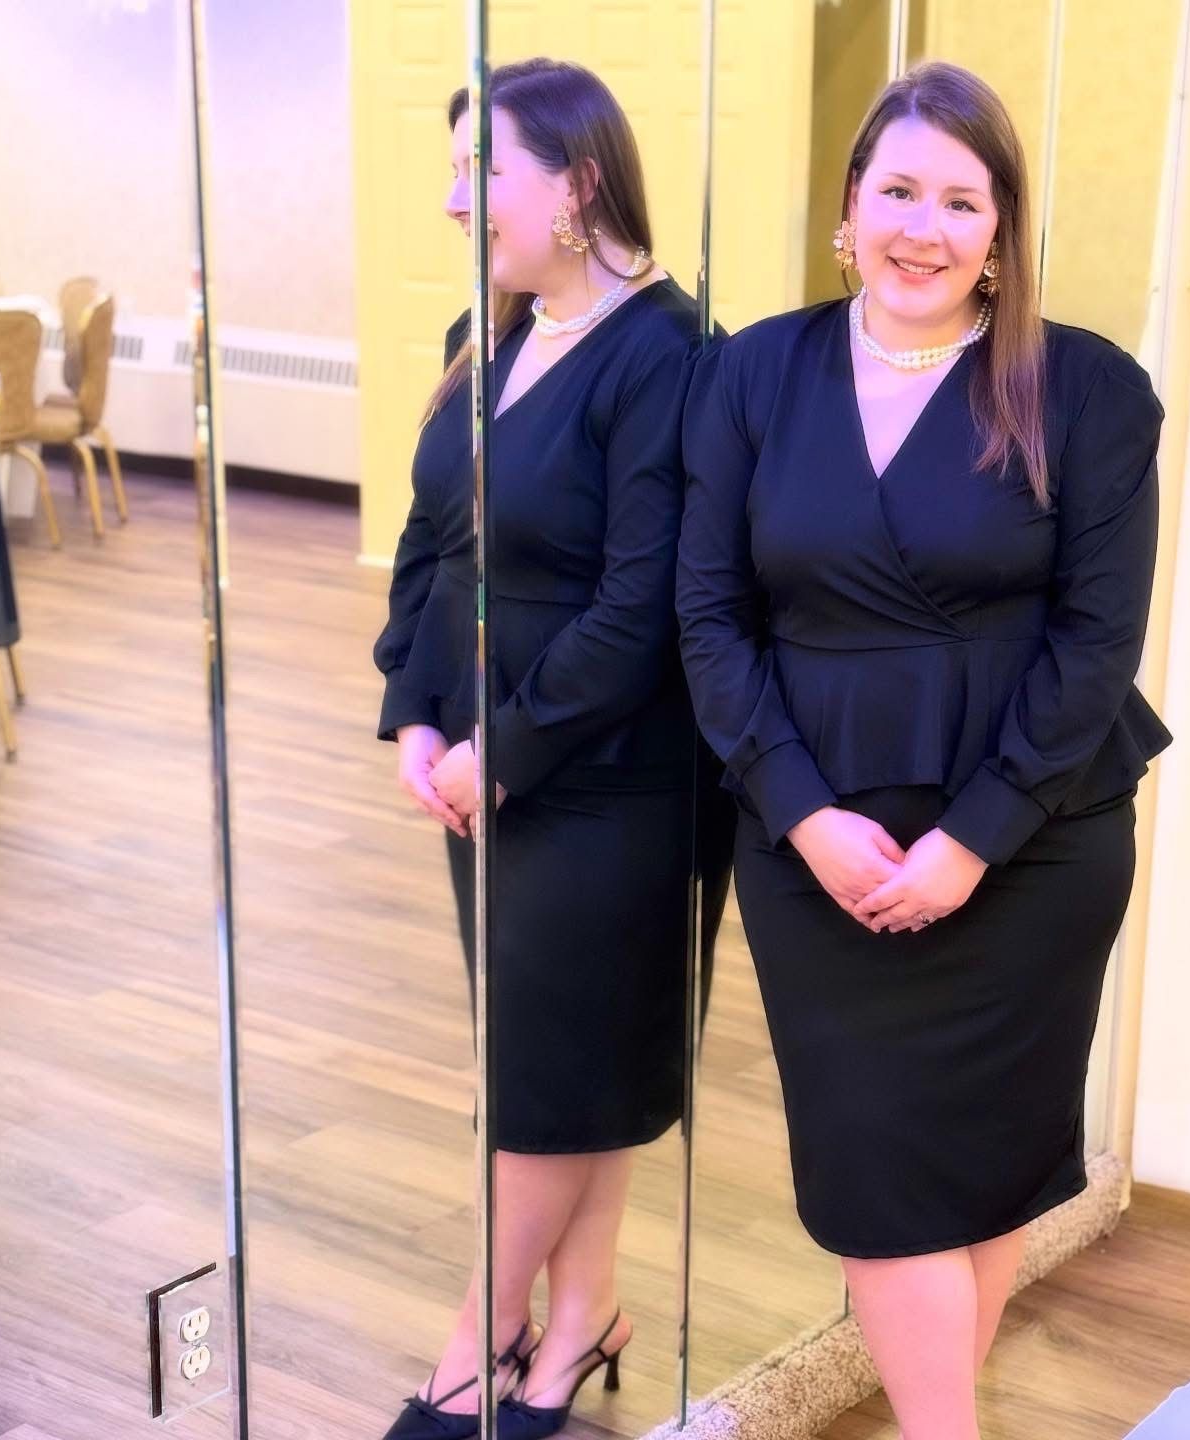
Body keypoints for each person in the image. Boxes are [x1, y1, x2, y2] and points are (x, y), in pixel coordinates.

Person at [676, 60, 1171, 1440]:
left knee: (987, 1167)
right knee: (877, 1173)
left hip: (1032, 841)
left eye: (963, 200)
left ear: (1002, 236)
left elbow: (1096, 645)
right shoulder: (750, 373)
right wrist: (805, 816)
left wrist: (971, 842)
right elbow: (708, 619)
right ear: (848, 210)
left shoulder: (1089, 392)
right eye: (898, 189)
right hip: (813, 835)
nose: (925, 227)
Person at [373, 58, 732, 1440]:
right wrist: (417, 709)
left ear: (577, 185)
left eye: (487, 174)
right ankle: (579, 1325)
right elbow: (433, 541)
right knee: (568, 1072)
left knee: (543, 1088)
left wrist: (505, 749)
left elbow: (642, 606)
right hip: (487, 768)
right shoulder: (495, 327)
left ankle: (476, 1344)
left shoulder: (671, 357)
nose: (462, 204)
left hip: (615, 782)